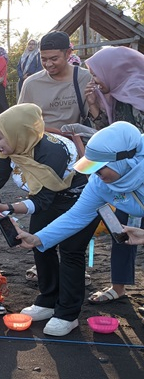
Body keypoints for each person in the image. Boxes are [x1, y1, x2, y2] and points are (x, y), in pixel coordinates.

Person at [0, 104, 92, 335]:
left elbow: (42, 200)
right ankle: (48, 300)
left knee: (71, 252)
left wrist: (8, 208)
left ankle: (68, 314)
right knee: (41, 246)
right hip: (46, 199)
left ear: (18, 133)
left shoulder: (52, 152)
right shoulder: (13, 146)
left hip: (77, 201)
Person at [16, 122, 144, 335]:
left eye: (99, 167)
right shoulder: (100, 183)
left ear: (123, 160)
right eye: (91, 168)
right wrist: (38, 239)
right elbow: (76, 216)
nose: (95, 174)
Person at [81, 46, 144, 303]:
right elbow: (108, 141)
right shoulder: (115, 96)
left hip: (138, 175)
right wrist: (95, 108)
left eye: (96, 74)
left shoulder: (138, 96)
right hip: (124, 178)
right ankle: (118, 287)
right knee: (122, 230)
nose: (94, 81)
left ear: (114, 70)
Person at [18, 31, 92, 129]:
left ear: (68, 53)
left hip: (76, 136)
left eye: (54, 59)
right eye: (44, 59)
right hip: (43, 136)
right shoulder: (31, 83)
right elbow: (21, 120)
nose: (48, 64)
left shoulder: (85, 78)